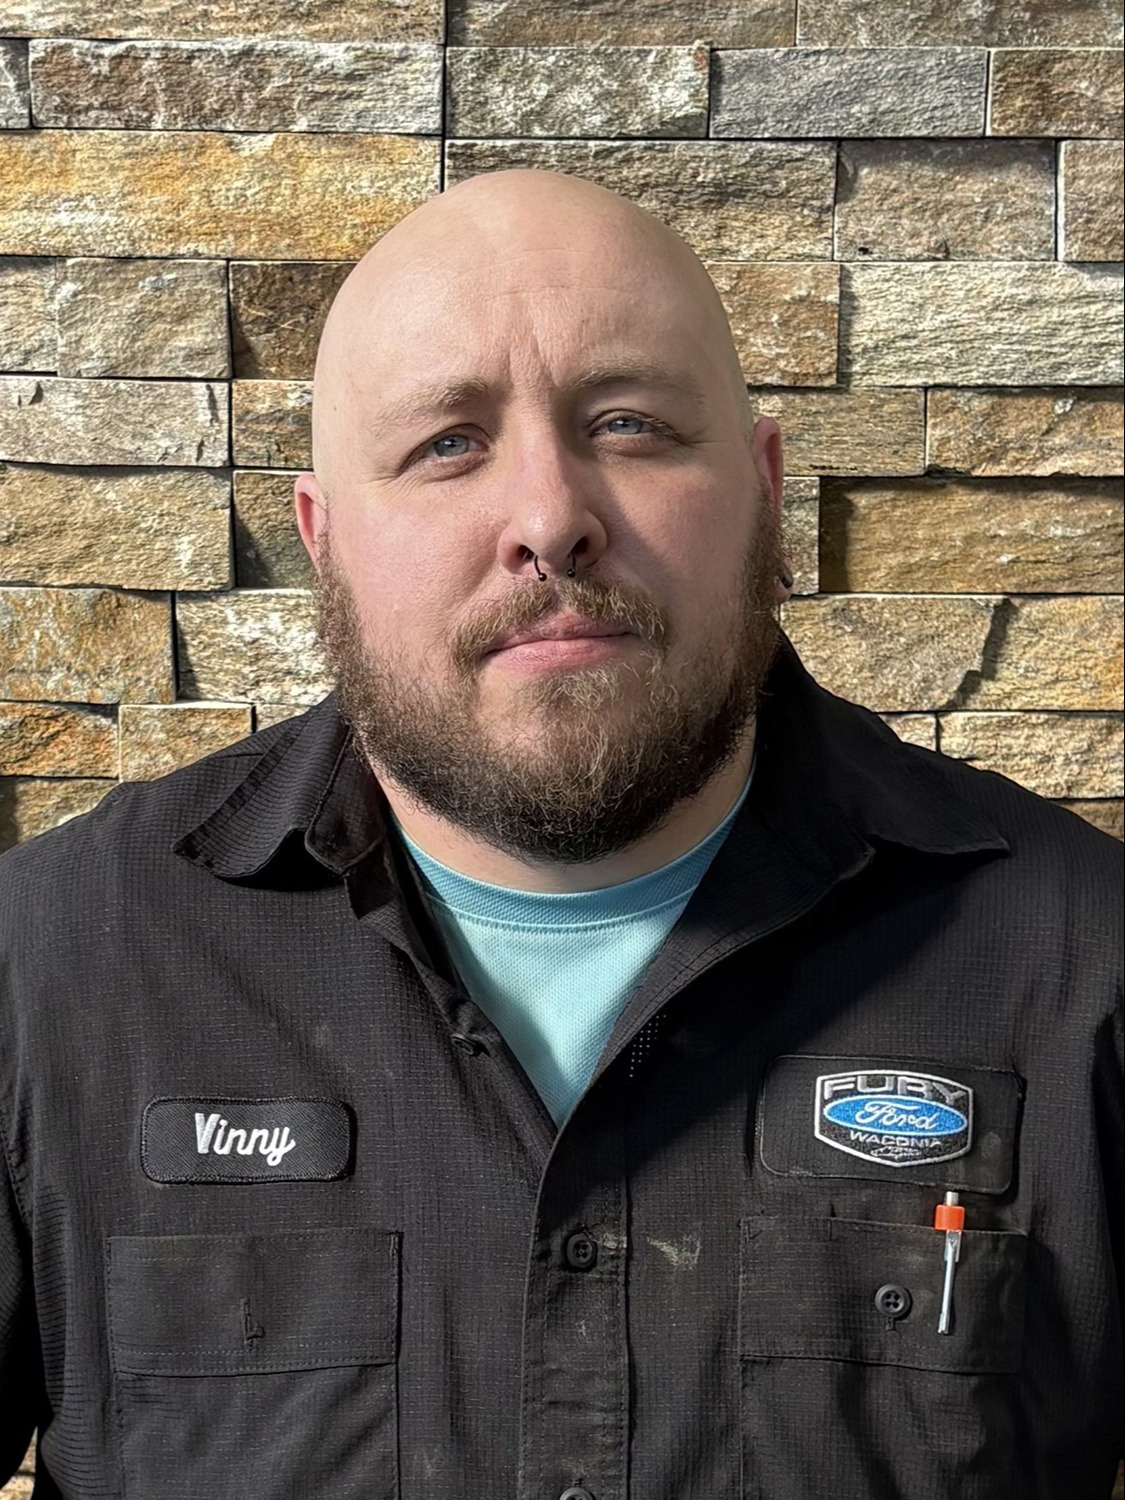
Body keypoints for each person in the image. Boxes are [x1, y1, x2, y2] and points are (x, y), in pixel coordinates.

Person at [0, 169, 1120, 1500]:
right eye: (446, 444)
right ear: (325, 540)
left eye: (631, 424)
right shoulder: (54, 967)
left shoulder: (1081, 966)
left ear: (761, 492)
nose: (549, 517)